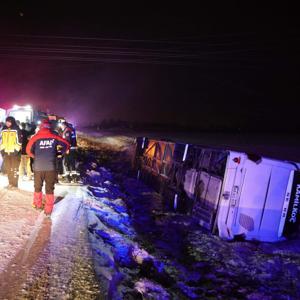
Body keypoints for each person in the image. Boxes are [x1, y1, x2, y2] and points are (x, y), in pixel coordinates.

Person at [26, 119, 69, 215]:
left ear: (41, 127)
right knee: (49, 188)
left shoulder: (35, 137)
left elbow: (28, 150)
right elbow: (66, 144)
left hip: (38, 167)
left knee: (37, 187)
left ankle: (37, 204)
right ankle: (48, 210)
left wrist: (35, 157)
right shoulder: (54, 136)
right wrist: (60, 153)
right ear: (50, 127)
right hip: (51, 167)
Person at [0, 116, 22, 189]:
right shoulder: (3, 129)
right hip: (6, 153)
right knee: (8, 169)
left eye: (9, 121)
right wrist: (2, 151)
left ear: (12, 121)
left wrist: (16, 151)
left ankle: (15, 184)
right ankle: (10, 183)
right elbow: (2, 141)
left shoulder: (17, 129)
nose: (7, 123)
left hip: (15, 154)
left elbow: (19, 142)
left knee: (15, 169)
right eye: (6, 121)